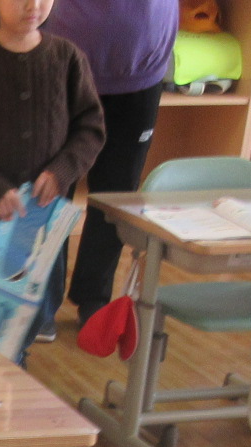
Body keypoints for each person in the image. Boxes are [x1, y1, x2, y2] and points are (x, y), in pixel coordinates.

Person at [0, 0, 104, 361]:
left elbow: (90, 129)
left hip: (40, 225)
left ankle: (14, 385)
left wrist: (62, 172)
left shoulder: (68, 58)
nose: (33, 5)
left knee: (24, 329)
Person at [45, 0, 177, 330]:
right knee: (51, 188)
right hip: (60, 62)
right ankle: (41, 300)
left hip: (142, 68)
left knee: (116, 194)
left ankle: (94, 297)